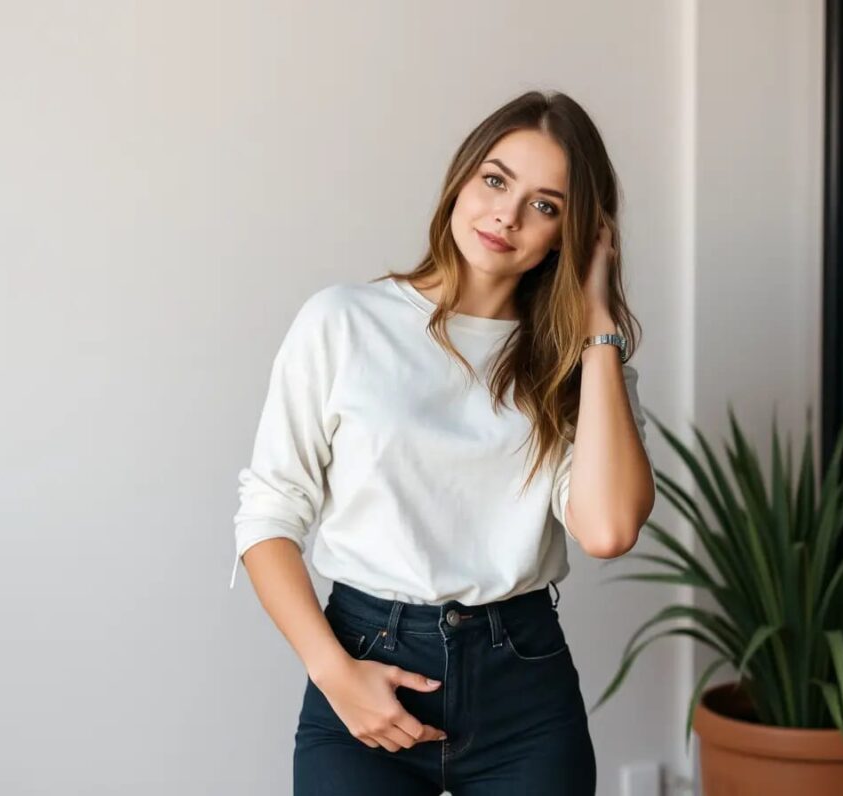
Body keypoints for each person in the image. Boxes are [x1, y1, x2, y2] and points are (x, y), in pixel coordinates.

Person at [229, 89, 656, 795]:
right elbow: (269, 516)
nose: (507, 216)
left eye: (545, 205)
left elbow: (608, 529)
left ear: (572, 234)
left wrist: (599, 322)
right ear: (462, 178)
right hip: (365, 661)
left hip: (524, 690)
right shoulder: (344, 322)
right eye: (496, 180)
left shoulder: (578, 365)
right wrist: (335, 676)